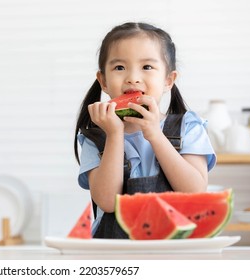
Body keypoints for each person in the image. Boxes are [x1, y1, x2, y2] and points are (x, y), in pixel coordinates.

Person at [74, 22, 216, 238]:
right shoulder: (96, 136)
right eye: (119, 67)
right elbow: (107, 201)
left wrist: (155, 135)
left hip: (175, 250)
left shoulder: (188, 127)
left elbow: (195, 191)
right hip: (116, 255)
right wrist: (114, 135)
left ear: (169, 80)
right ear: (103, 81)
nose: (133, 77)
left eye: (147, 67)